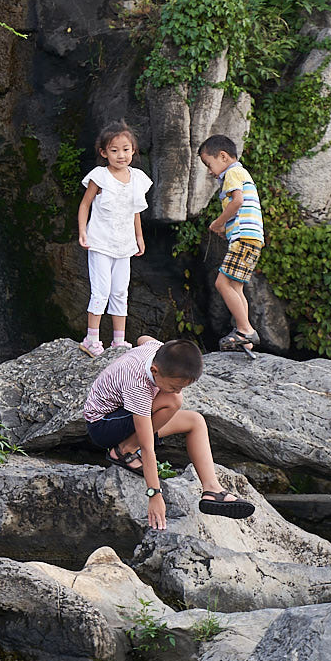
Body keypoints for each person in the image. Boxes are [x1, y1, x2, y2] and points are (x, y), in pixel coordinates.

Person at [82, 336, 255, 525]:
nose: (178, 390)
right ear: (155, 370)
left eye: (182, 387)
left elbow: (142, 339)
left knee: (195, 421)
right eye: (174, 386)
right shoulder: (137, 384)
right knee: (172, 401)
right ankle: (125, 450)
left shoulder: (158, 349)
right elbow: (147, 447)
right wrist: (154, 494)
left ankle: (212, 489)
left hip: (123, 415)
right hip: (103, 425)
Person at [75, 123, 150, 357]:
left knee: (120, 290)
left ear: (133, 150)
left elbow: (136, 210)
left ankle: (119, 341)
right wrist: (82, 231)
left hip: (124, 245)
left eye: (126, 149)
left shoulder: (137, 178)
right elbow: (85, 204)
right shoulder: (100, 176)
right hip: (99, 243)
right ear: (104, 152)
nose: (121, 155)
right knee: (101, 290)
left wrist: (139, 237)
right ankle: (91, 339)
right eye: (114, 150)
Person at [198, 134, 264, 353]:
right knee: (236, 287)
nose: (209, 170)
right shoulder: (240, 173)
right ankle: (248, 337)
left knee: (222, 283)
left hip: (244, 237)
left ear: (223, 156)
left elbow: (237, 201)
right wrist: (227, 229)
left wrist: (218, 223)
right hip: (250, 237)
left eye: (209, 163)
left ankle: (245, 329)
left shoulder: (232, 172)